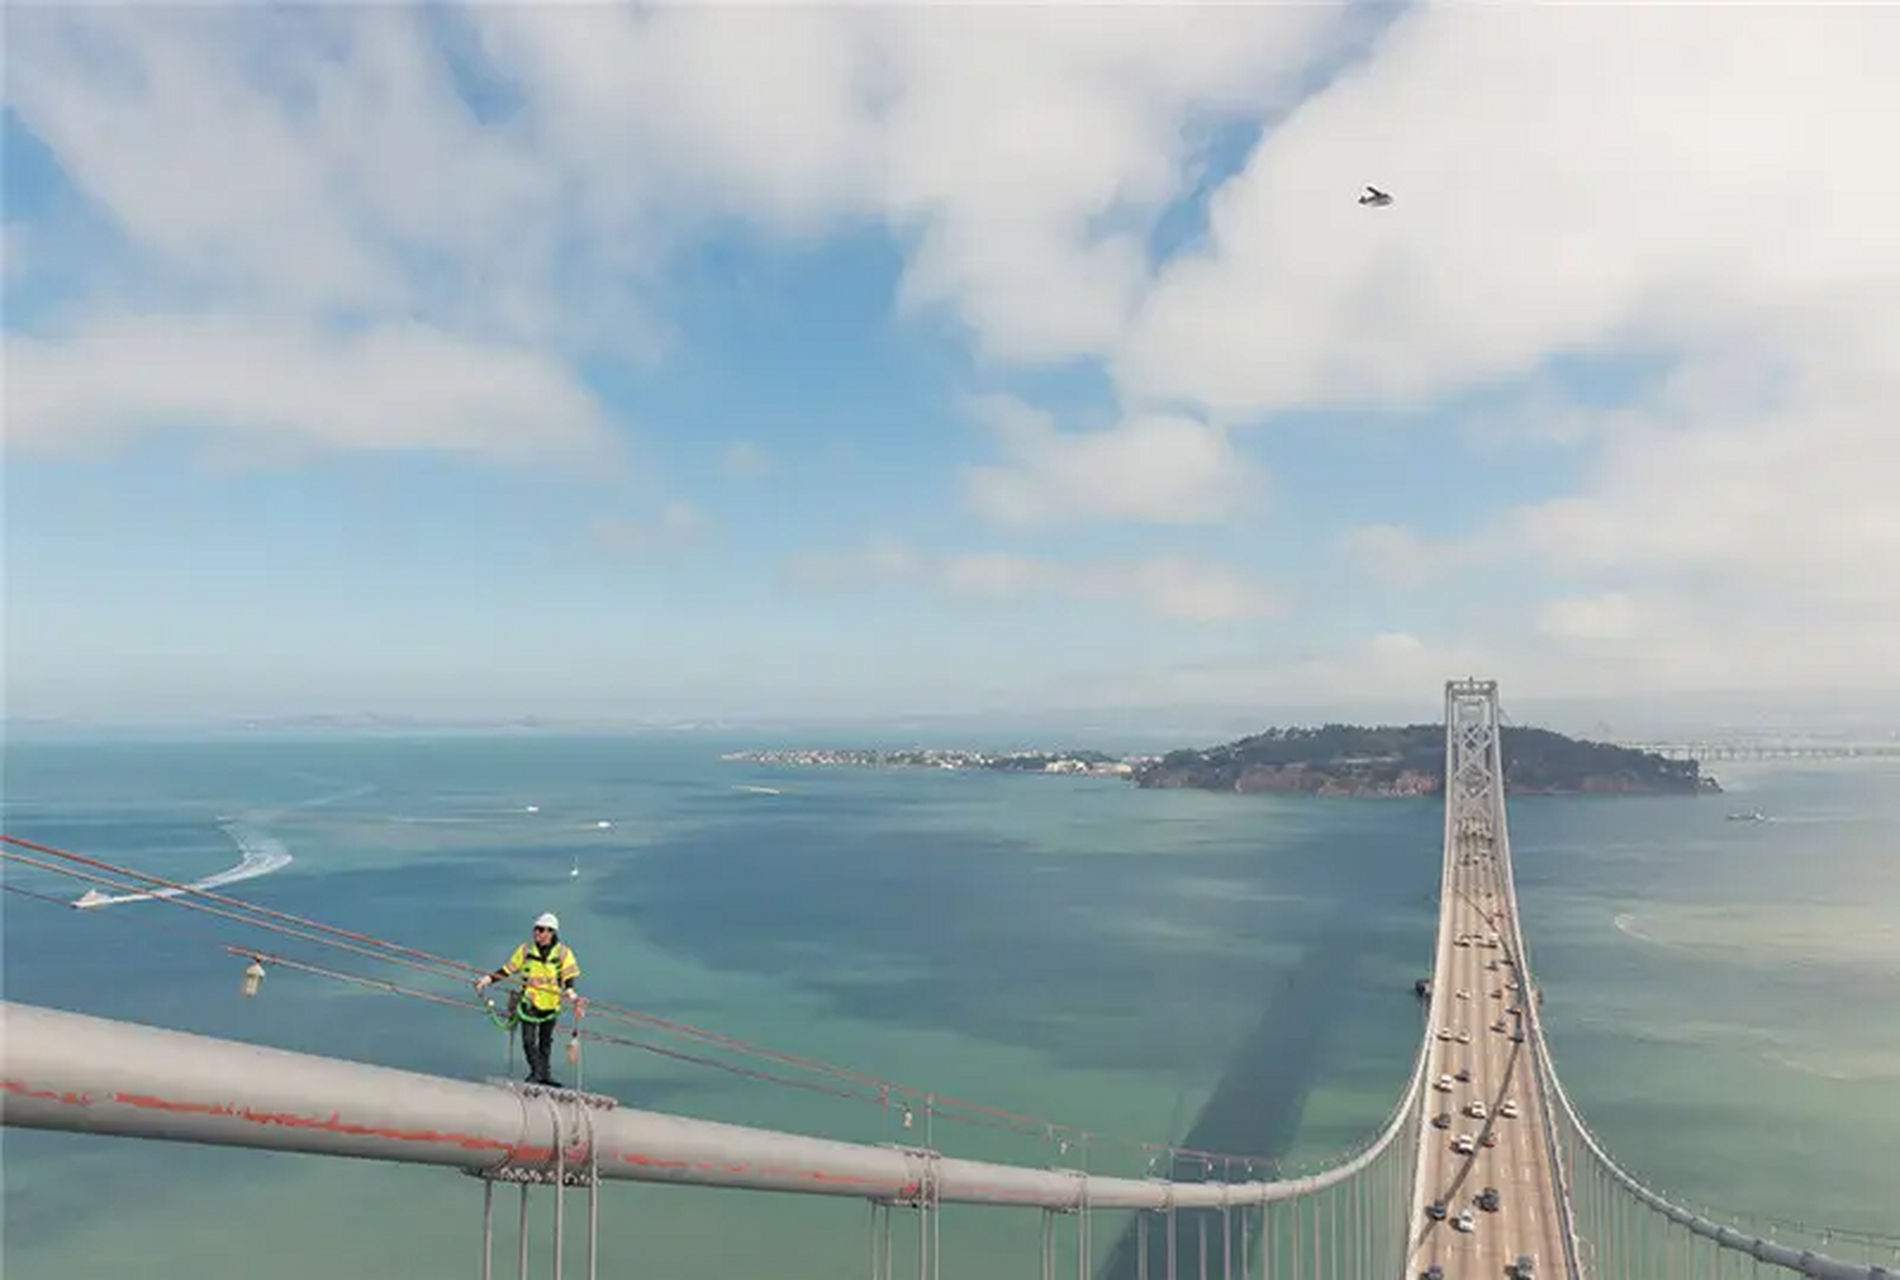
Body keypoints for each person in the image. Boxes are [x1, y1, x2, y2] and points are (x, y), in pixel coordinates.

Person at [476, 912, 583, 1087]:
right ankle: (536, 1072)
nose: (537, 934)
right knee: (528, 1040)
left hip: (551, 1004)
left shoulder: (563, 953)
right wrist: (487, 980)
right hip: (530, 1002)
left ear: (552, 932)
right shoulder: (525, 950)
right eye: (536, 929)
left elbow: (569, 975)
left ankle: (545, 1074)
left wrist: (571, 992)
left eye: (542, 930)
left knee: (546, 1042)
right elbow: (507, 969)